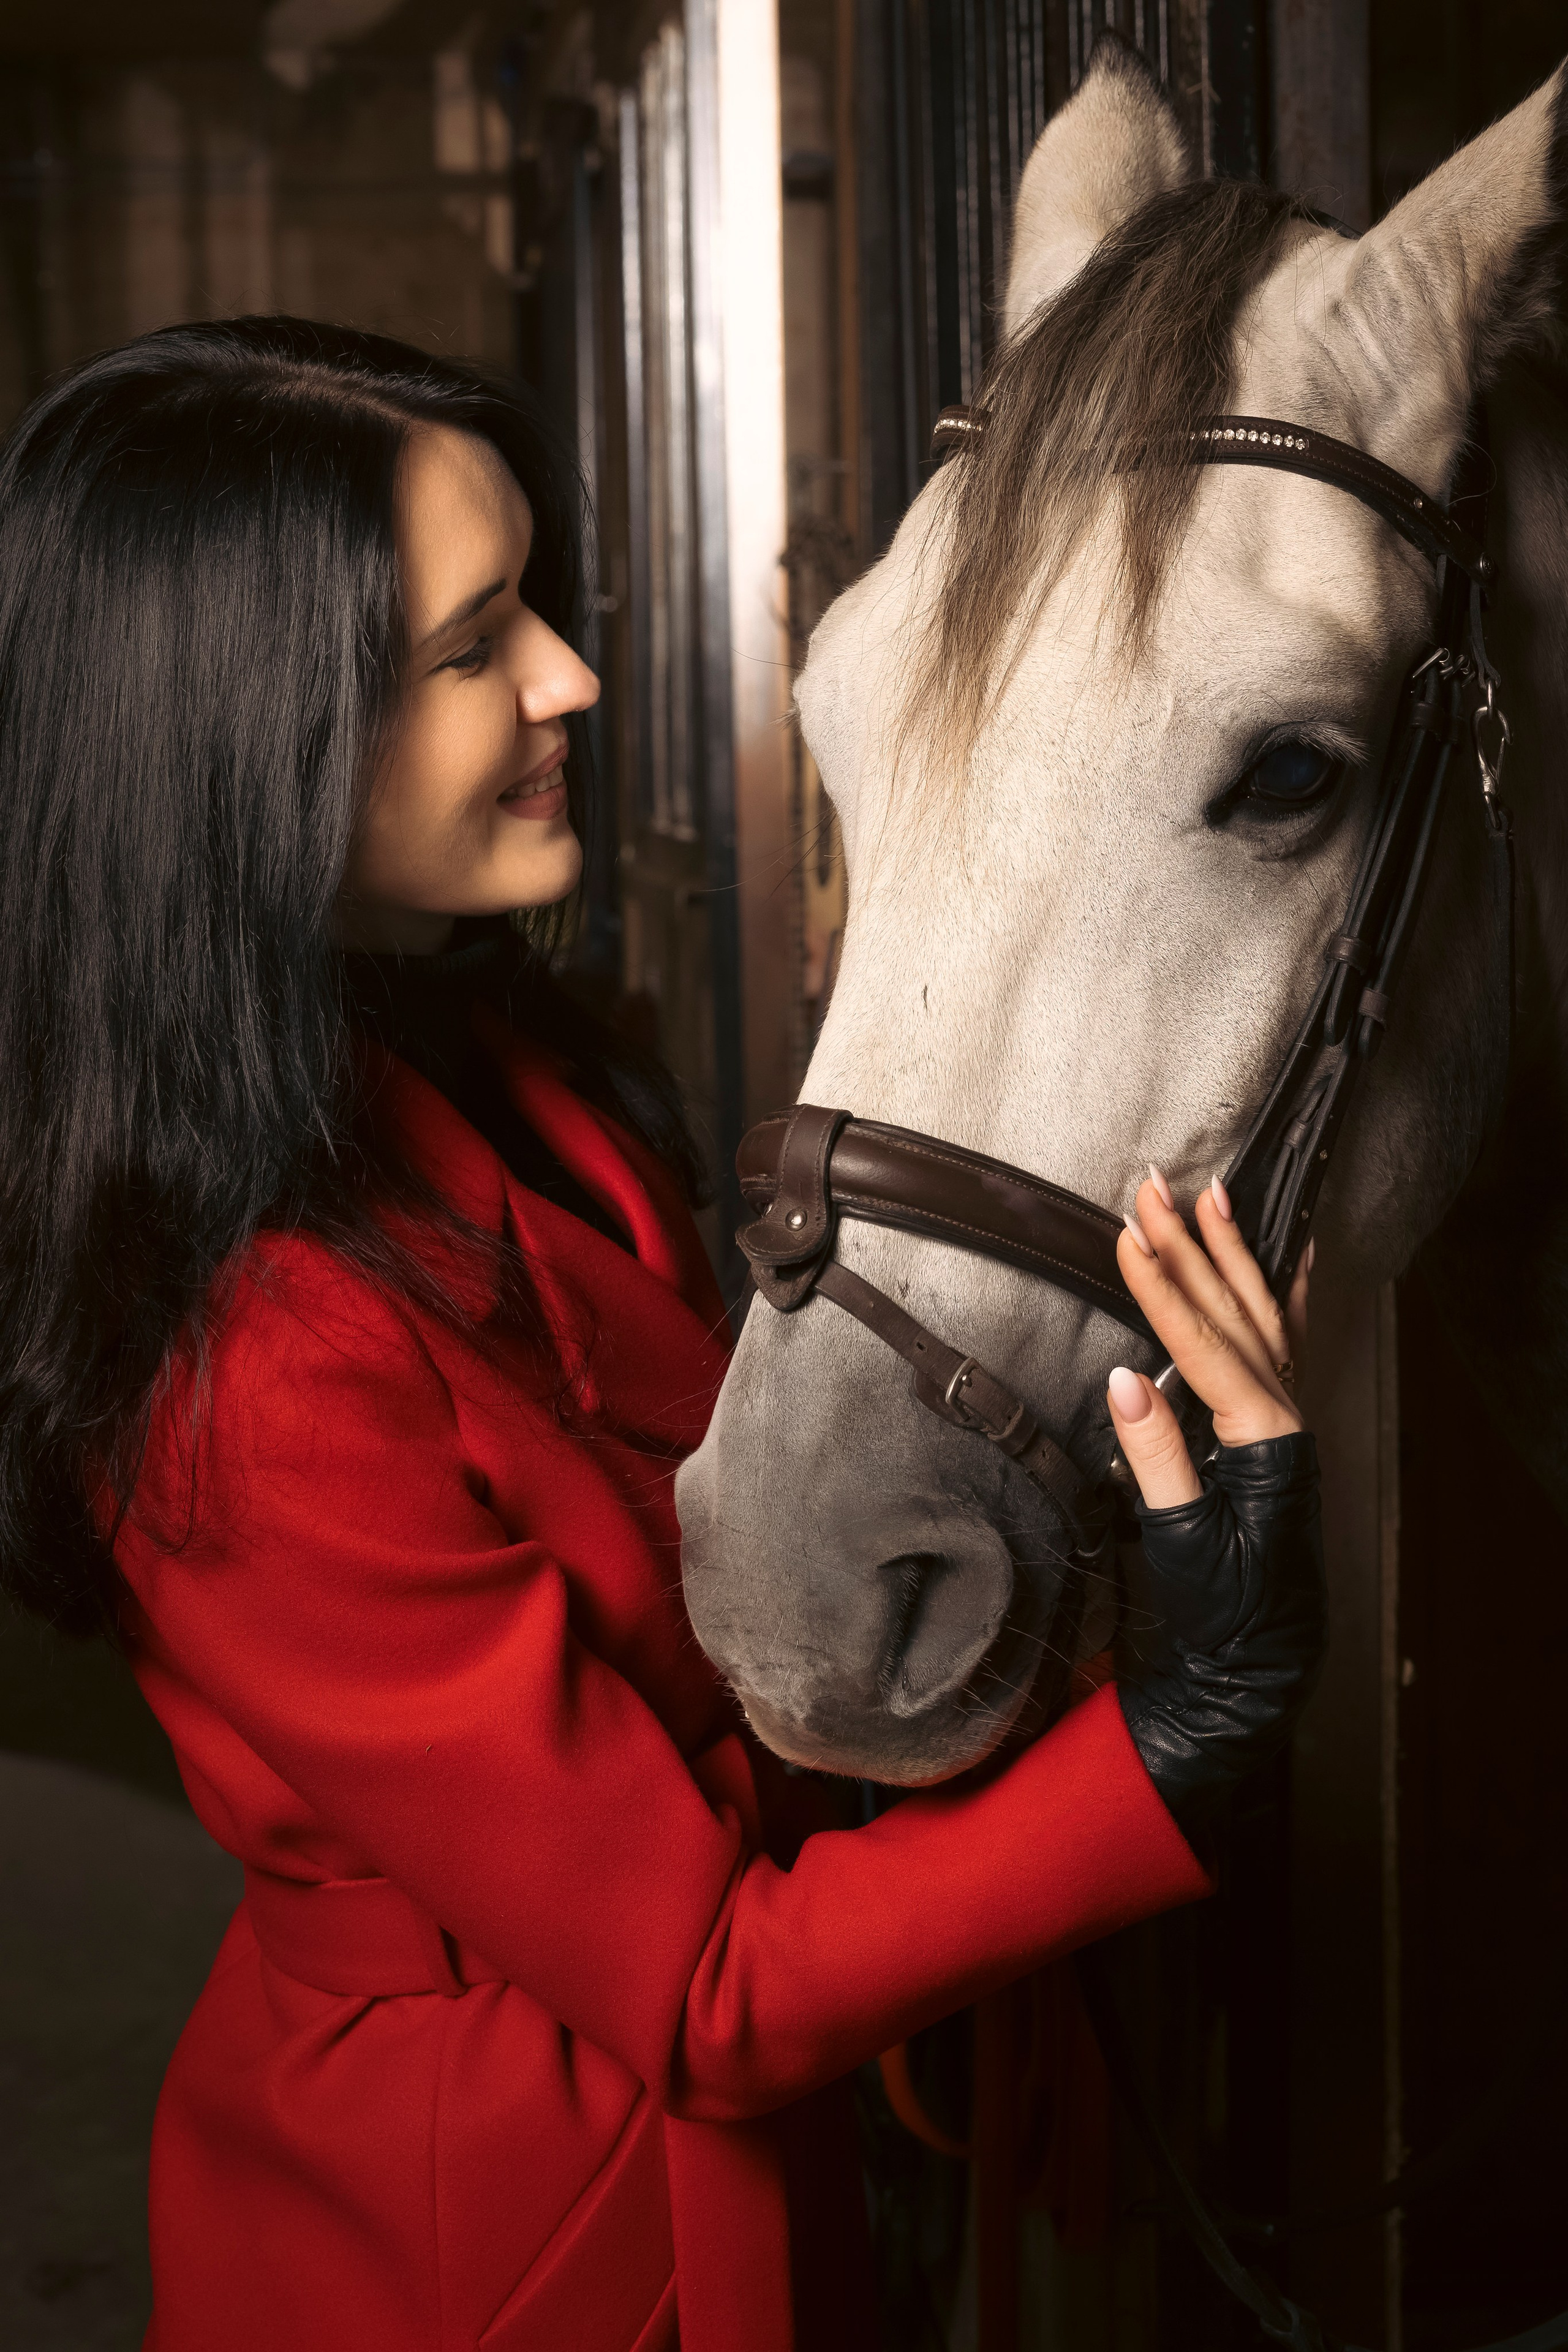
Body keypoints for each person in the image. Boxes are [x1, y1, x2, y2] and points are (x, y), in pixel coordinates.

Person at [0, 318, 1325, 2352]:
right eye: (473, 646)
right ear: (246, 739)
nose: (571, 680)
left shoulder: (483, 1068)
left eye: (532, 598)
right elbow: (703, 1983)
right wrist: (1180, 1732)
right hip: (512, 2245)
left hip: (777, 2122)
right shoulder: (239, 1365)